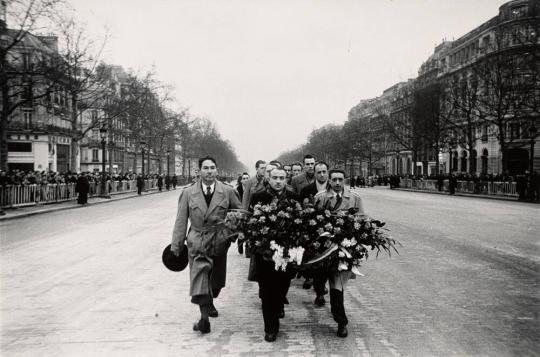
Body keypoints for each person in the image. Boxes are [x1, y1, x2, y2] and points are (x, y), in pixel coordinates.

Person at [170, 156, 242, 334]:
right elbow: (180, 220)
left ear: (216, 170)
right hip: (197, 241)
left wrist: (231, 235)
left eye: (212, 168)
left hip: (219, 241)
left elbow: (240, 215)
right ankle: (204, 319)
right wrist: (176, 246)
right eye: (205, 168)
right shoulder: (188, 193)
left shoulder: (227, 191)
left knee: (216, 283)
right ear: (199, 171)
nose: (209, 171)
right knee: (200, 280)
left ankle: (210, 300)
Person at [249, 167, 299, 342]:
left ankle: (278, 304)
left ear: (286, 179)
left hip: (287, 252)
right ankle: (270, 328)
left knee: (282, 285)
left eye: (282, 178)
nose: (278, 181)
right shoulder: (258, 197)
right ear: (269, 179)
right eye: (275, 177)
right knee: (266, 289)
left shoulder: (293, 197)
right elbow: (251, 222)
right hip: (265, 252)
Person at [313, 169, 365, 338]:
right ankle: (320, 292)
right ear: (329, 180)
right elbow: (313, 222)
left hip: (344, 249)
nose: (336, 183)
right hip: (325, 249)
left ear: (344, 181)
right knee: (321, 278)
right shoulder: (320, 198)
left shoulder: (354, 198)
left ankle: (341, 322)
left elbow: (362, 219)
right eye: (334, 179)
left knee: (338, 284)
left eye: (340, 179)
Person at [236, 172, 250, 254]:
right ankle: (240, 245)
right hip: (240, 211)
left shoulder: (252, 188)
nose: (245, 180)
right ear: (241, 180)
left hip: (248, 211)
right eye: (244, 178)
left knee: (249, 230)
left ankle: (248, 248)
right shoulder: (237, 190)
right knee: (240, 229)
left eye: (247, 178)